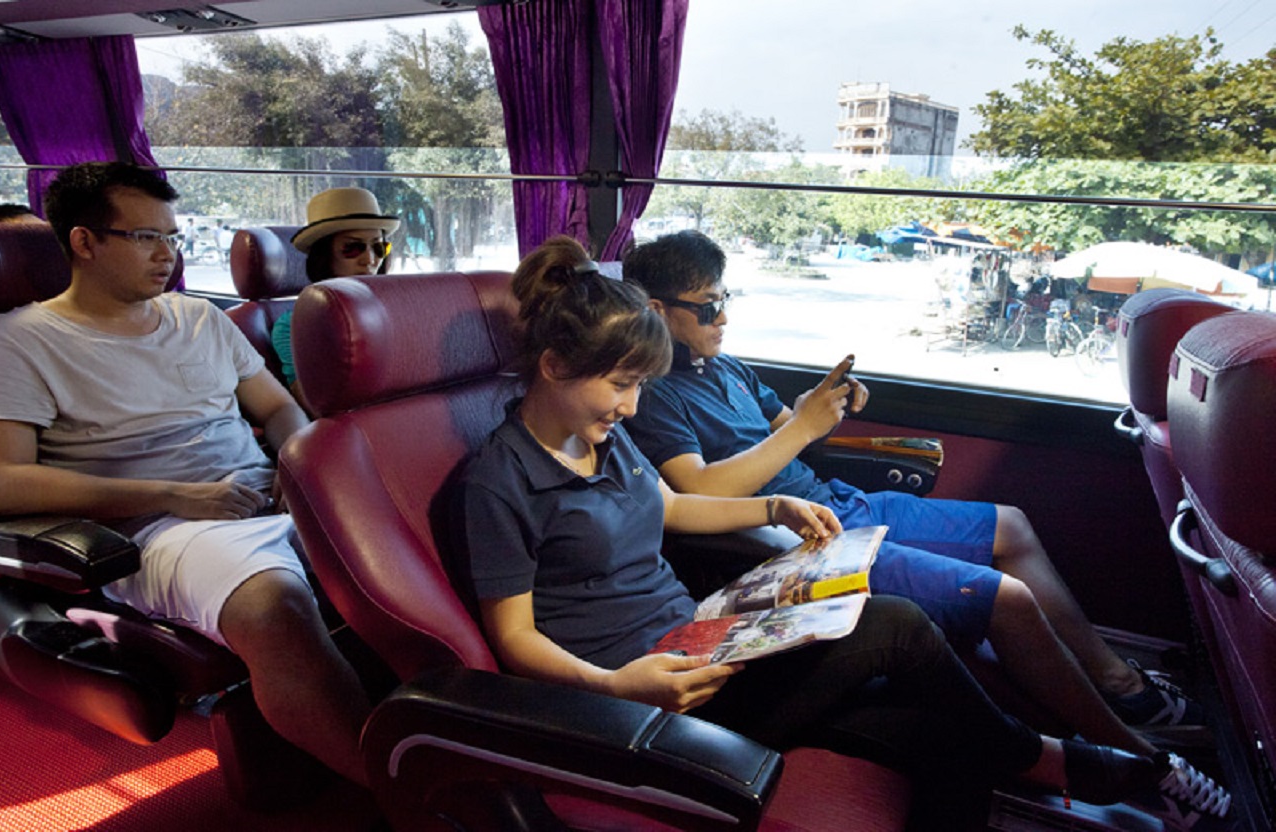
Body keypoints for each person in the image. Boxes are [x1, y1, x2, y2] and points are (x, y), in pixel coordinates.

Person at [453, 235, 1171, 825]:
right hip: (651, 693)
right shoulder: (499, 481)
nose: (634, 407)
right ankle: (1069, 761)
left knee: (937, 737)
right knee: (897, 624)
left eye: (641, 385)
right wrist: (615, 687)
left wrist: (774, 507)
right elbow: (514, 638)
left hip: (700, 642)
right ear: (553, 366)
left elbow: (671, 507)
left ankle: (1089, 766)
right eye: (621, 385)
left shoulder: (602, 439)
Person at [620, 230, 1231, 821]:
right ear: (655, 309)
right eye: (708, 307)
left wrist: (823, 409)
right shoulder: (653, 395)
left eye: (726, 300)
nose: (723, 317)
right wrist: (801, 430)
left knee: (1012, 527)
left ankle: (1119, 684)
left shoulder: (724, 367)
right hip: (798, 538)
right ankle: (1138, 757)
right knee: (1007, 598)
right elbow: (697, 489)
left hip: (837, 501)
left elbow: (787, 429)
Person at [0, 162, 371, 787]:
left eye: (172, 237)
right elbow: (6, 480)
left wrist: (294, 462)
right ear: (85, 242)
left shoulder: (199, 318)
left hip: (264, 494)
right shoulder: (19, 341)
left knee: (427, 549)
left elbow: (278, 408)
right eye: (146, 237)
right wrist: (175, 494)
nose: (167, 254)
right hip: (157, 529)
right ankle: (405, 797)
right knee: (273, 606)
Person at [274, 187, 398, 412]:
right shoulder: (295, 326)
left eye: (379, 247)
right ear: (324, 256)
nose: (370, 259)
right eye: (352, 248)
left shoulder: (396, 308)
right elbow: (316, 405)